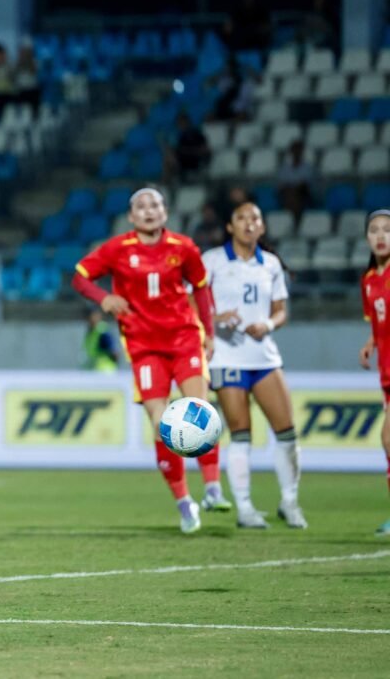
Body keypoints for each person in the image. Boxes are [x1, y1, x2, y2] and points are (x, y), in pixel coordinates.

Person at [72, 187, 231, 533]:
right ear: (131, 216)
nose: (148, 210)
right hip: (144, 346)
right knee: (162, 425)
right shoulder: (117, 249)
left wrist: (210, 333)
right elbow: (80, 276)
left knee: (198, 409)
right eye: (141, 206)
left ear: (165, 212)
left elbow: (201, 288)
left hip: (185, 338)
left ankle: (214, 486)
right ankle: (184, 502)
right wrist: (104, 298)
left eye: (155, 204)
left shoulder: (183, 247)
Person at [203, 202, 305, 529]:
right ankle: (245, 508)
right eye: (241, 218)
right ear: (230, 227)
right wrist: (215, 318)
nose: (249, 223)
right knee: (241, 434)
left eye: (255, 218)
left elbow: (281, 310)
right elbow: (191, 300)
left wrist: (269, 325)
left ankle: (289, 502)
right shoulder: (213, 260)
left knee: (287, 432)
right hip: (226, 357)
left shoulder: (271, 264)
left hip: (263, 356)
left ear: (262, 227)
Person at [358, 209, 390, 537]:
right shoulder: (369, 280)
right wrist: (370, 343)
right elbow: (378, 322)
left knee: (388, 439)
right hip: (386, 373)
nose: (380, 236)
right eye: (374, 230)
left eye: (387, 230)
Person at [277, 140, 317, 221]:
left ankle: (295, 218)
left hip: (303, 195)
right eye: (295, 150)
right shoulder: (284, 168)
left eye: (298, 150)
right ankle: (293, 218)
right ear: (291, 152)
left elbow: (305, 184)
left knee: (296, 193)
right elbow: (282, 185)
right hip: (288, 194)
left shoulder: (308, 167)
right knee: (289, 194)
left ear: (302, 151)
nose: (296, 152)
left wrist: (294, 188)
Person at [82, 307, 119, 373]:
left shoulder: (102, 331)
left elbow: (114, 352)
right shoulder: (91, 331)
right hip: (94, 370)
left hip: (104, 371)